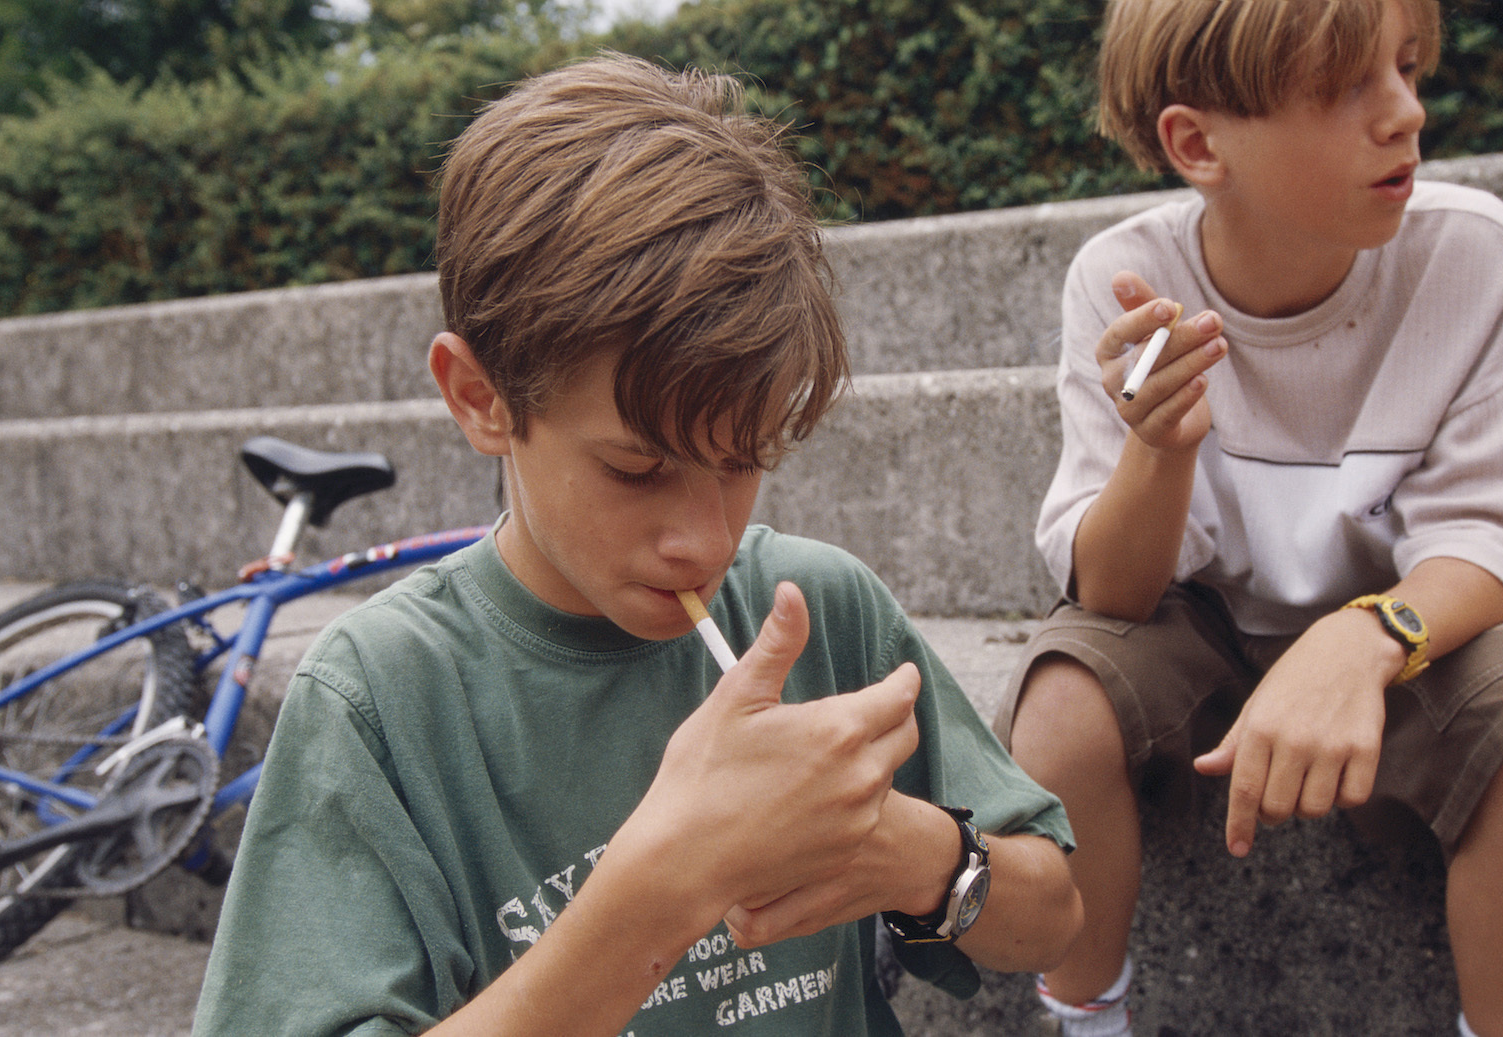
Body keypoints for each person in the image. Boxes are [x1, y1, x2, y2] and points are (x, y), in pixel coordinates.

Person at [192, 53, 1081, 1037]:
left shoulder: (815, 609)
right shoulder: (383, 695)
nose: (700, 537)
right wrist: (657, 889)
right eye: (634, 467)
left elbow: (1052, 918)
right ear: (481, 398)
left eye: (742, 459)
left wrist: (915, 855)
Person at [997, 1, 1503, 1034]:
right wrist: (1159, 447)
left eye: (1407, 66)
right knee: (1063, 704)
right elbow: (1114, 594)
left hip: (1418, 641)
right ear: (1197, 143)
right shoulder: (1127, 286)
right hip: (1200, 630)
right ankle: (1084, 1022)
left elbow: (1499, 534)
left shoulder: (1471, 256)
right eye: (1347, 86)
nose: (1405, 115)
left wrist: (1366, 636)